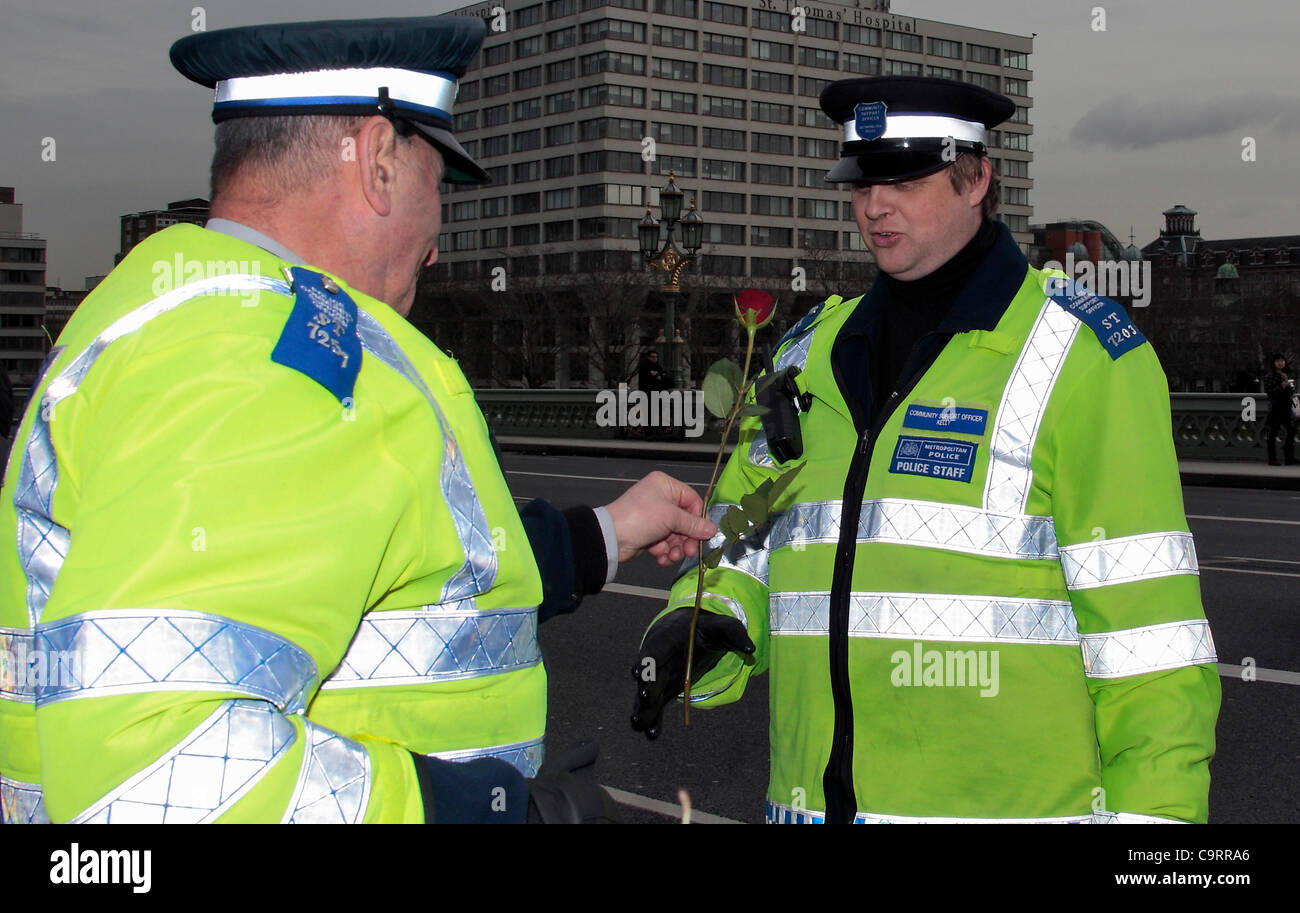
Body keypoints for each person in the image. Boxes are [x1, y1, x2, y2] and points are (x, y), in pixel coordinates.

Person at [0, 15, 716, 825]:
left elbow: (397, 572)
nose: (438, 241)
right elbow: (158, 777)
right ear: (377, 161)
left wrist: (607, 532)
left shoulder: (175, 311)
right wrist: (493, 813)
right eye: (435, 184)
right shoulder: (287, 355)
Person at [632, 76, 1221, 824]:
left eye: (905, 179)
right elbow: (746, 535)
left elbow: (1152, 646)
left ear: (976, 179)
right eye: (861, 181)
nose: (874, 206)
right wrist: (702, 619)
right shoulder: (808, 351)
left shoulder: (1083, 356)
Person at [1262, 352, 1296, 465]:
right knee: (1273, 432)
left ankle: (1289, 457)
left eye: (1282, 360)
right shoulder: (1269, 376)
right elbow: (1270, 393)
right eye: (1278, 361)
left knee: (1292, 430)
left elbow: (1290, 392)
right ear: (1274, 363)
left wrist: (1290, 387)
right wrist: (1282, 386)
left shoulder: (1286, 374)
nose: (1281, 363)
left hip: (1286, 406)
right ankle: (1272, 458)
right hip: (1276, 407)